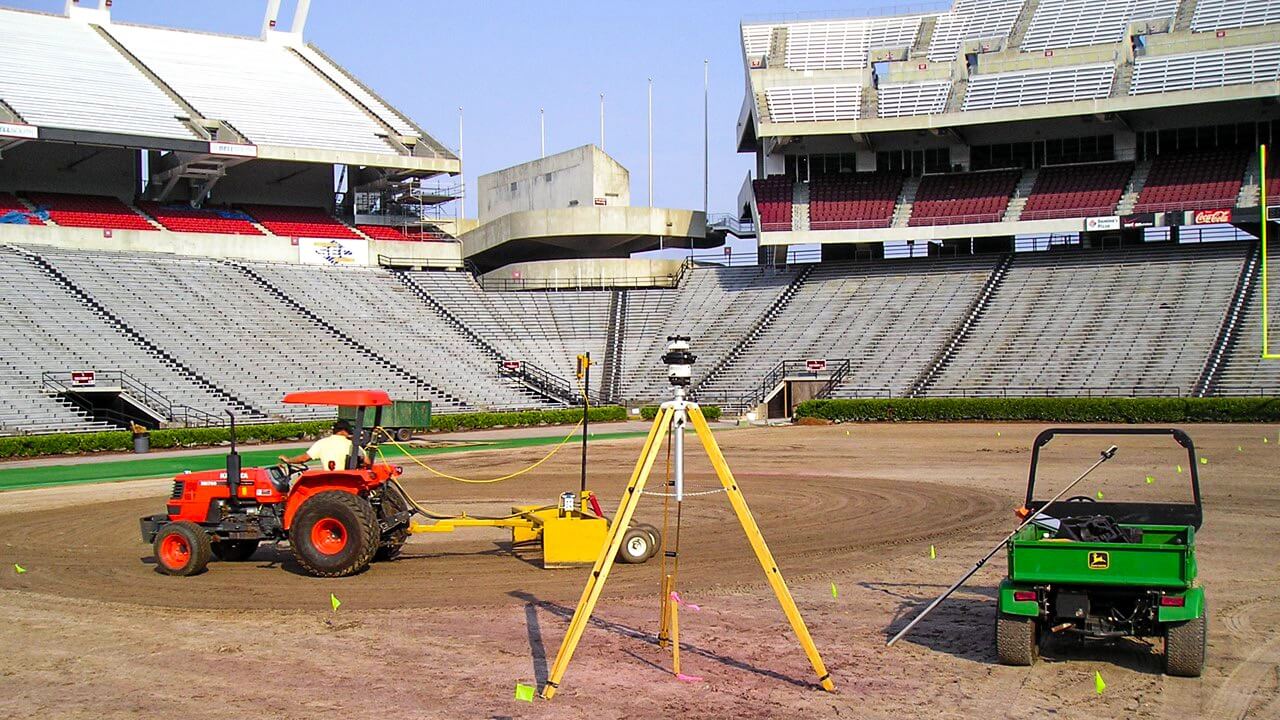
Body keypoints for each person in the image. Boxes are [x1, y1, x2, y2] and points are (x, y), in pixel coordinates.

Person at [279, 419, 355, 472]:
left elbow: (304, 458)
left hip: (330, 478)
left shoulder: (322, 443)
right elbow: (366, 462)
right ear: (344, 431)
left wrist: (289, 460)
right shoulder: (352, 445)